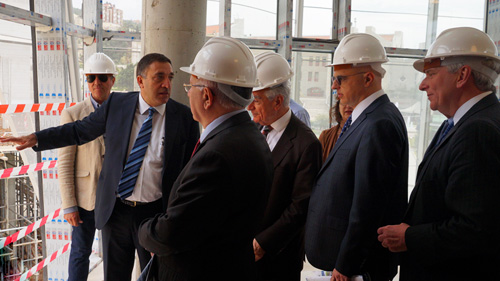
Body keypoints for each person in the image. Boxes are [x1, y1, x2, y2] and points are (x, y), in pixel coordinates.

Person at [0, 53, 199, 281]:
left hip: (154, 216)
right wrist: (36, 138)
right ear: (140, 81)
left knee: (154, 276)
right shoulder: (118, 105)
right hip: (117, 212)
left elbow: (187, 177)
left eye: (170, 78)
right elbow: (78, 130)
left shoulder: (183, 118)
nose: (167, 84)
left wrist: (172, 225)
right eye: (159, 77)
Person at [137, 37, 274, 281]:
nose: (187, 95)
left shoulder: (217, 155)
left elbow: (173, 233)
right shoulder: (250, 136)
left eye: (190, 88)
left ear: (207, 97)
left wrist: (145, 231)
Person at [377, 27, 500, 281]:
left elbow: (474, 229)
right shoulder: (462, 122)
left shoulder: (477, 131)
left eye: (431, 73)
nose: (423, 85)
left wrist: (408, 237)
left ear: (462, 75)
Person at [304, 33, 408, 281]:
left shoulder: (379, 123)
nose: (333, 87)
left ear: (368, 78)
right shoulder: (367, 118)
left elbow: (367, 205)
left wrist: (347, 265)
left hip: (358, 270)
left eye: (340, 79)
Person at [247, 52, 322, 281]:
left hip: (278, 257)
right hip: (245, 251)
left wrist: (263, 243)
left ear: (278, 101)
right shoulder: (253, 131)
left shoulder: (305, 143)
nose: (250, 107)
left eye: (257, 100)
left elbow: (300, 206)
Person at [57, 53, 115, 281]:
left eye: (101, 77)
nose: (96, 83)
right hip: (84, 199)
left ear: (112, 79)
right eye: (91, 78)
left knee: (115, 253)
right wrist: (69, 204)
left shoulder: (124, 111)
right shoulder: (72, 114)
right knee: (80, 252)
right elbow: (64, 163)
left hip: (115, 196)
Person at [318, 97, 353, 162]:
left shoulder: (366, 133)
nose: (348, 106)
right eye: (343, 102)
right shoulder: (325, 136)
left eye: (352, 102)